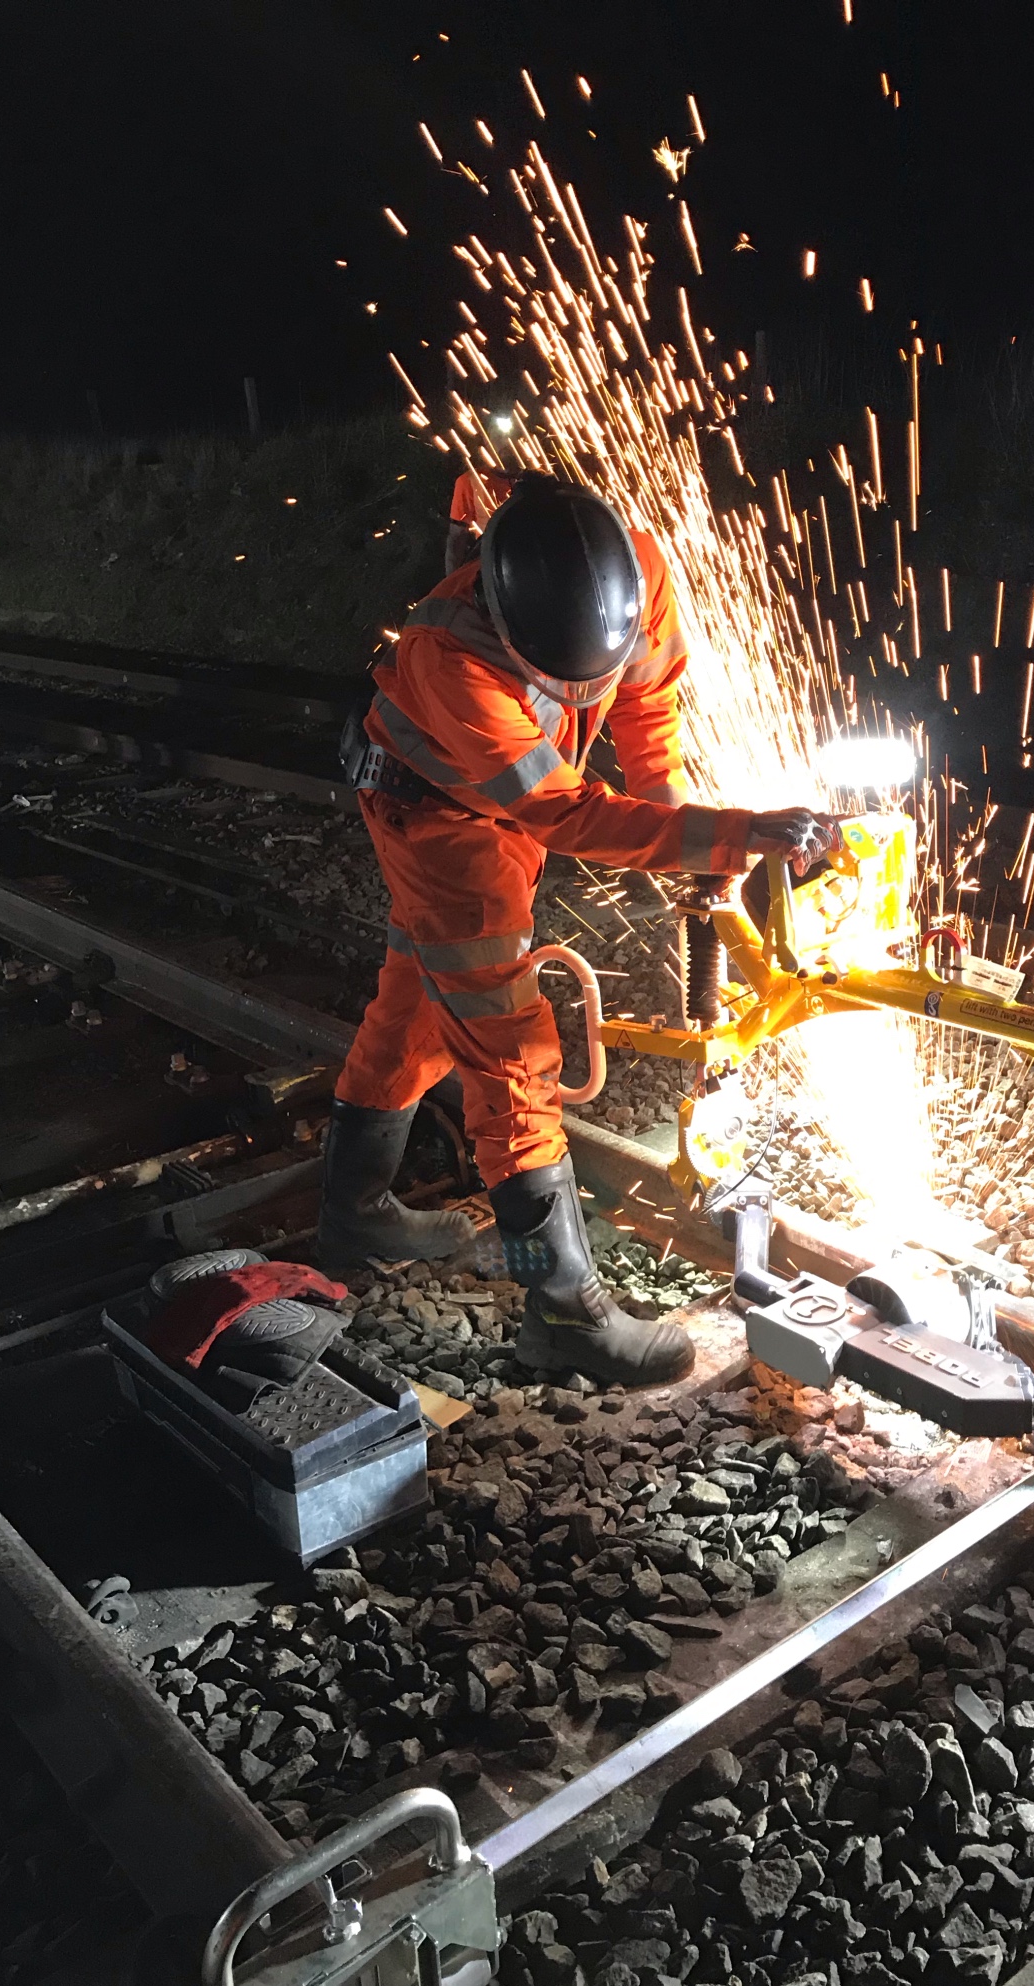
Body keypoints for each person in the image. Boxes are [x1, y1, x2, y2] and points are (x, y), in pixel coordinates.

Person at [319, 474, 840, 1387]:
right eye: (563, 676)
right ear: (508, 616)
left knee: (416, 999)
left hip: (496, 815)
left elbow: (647, 708)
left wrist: (683, 821)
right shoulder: (453, 659)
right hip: (439, 824)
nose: (583, 685)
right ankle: (562, 1314)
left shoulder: (634, 573)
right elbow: (563, 812)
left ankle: (354, 1209)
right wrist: (734, 832)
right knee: (514, 1054)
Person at [444, 468, 513, 573]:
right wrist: (452, 583)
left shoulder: (540, 474)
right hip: (491, 567)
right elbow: (457, 538)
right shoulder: (471, 480)